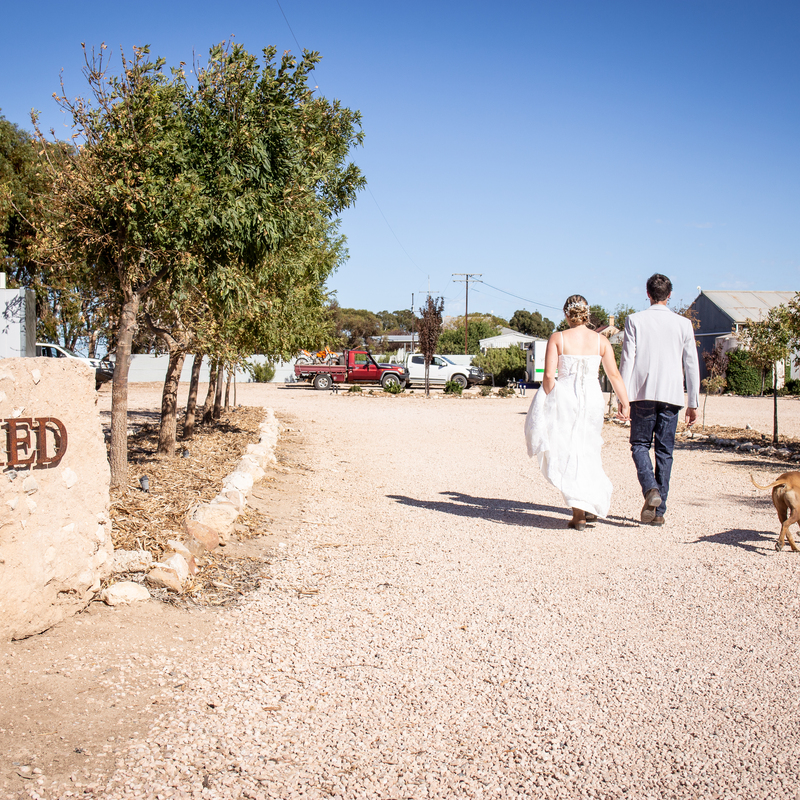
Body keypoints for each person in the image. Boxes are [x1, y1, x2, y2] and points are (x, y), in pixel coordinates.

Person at [525, 295, 630, 530]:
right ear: (587, 313)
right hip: (592, 399)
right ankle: (588, 504)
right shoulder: (601, 340)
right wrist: (625, 402)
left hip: (566, 398)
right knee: (589, 448)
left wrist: (551, 400)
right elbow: (613, 375)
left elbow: (549, 376)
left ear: (566, 314)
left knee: (567, 449)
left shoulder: (558, 338)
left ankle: (579, 512)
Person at [619, 274, 700, 526]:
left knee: (640, 445)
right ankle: (659, 511)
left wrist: (623, 397)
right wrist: (693, 401)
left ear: (647, 292)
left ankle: (650, 490)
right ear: (670, 294)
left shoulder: (634, 320)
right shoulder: (683, 324)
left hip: (642, 393)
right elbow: (691, 364)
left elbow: (627, 360)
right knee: (665, 452)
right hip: (672, 395)